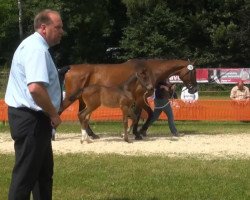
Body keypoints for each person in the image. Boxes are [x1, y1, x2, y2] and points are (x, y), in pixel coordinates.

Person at [5, 9, 64, 200]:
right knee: (24, 178)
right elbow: (36, 89)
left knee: (43, 176)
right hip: (31, 121)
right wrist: (54, 114)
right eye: (58, 27)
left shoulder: (36, 47)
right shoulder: (36, 49)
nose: (62, 31)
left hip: (34, 121)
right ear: (44, 28)